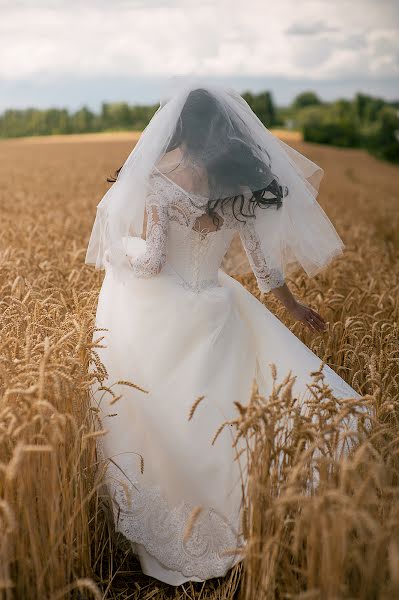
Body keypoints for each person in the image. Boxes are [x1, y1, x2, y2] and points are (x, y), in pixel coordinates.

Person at [85, 79, 363, 586]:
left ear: (177, 128)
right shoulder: (238, 185)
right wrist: (295, 308)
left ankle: (181, 532)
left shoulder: (161, 182)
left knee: (163, 418)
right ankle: (252, 518)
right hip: (215, 304)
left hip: (162, 312)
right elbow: (263, 268)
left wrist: (118, 250)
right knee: (221, 413)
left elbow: (150, 264)